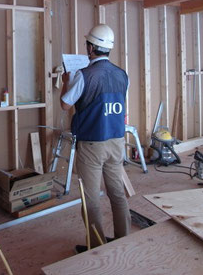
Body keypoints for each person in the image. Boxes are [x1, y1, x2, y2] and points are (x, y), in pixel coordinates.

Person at [60, 23, 131, 253]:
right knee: (117, 193)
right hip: (116, 142)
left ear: (91, 48)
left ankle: (97, 248)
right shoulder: (122, 75)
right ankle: (124, 239)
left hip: (92, 144)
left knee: (90, 199)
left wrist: (65, 83)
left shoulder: (84, 75)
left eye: (87, 45)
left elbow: (65, 104)